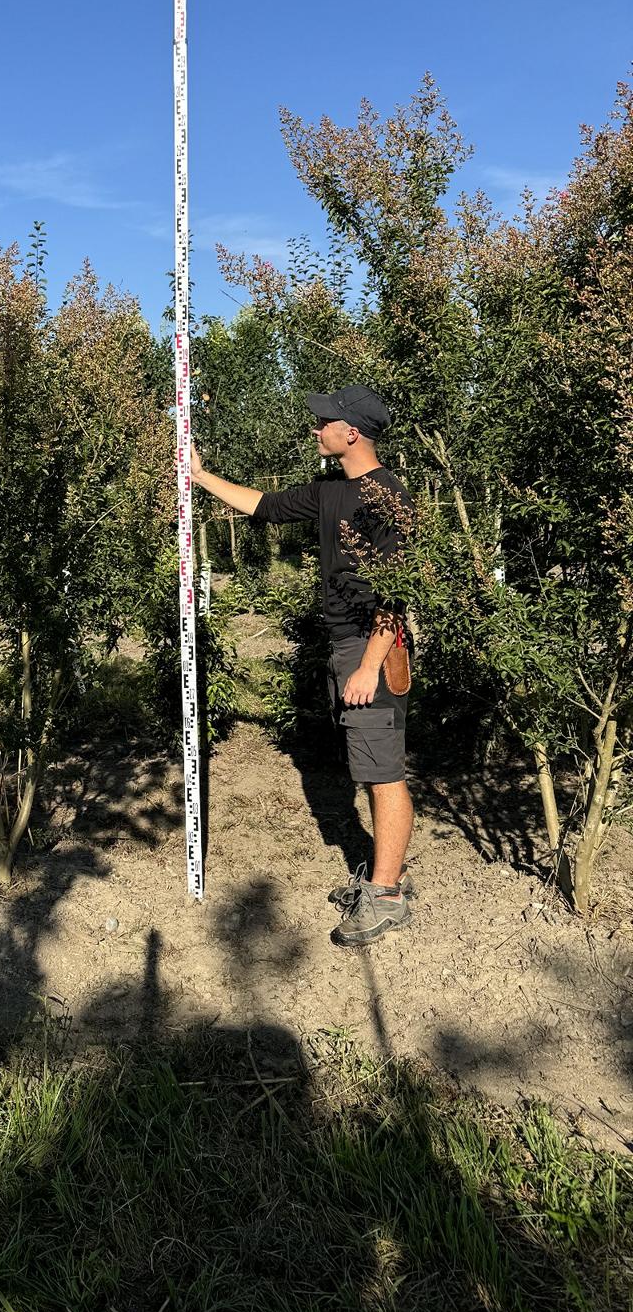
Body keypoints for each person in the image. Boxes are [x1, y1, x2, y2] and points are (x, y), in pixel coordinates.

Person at [190, 384, 416, 946]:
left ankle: (386, 896)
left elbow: (397, 595)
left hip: (374, 649)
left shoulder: (389, 498)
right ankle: (383, 878)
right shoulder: (328, 492)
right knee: (366, 766)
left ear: (352, 432)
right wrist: (199, 477)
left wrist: (367, 667)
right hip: (348, 645)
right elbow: (262, 506)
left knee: (382, 772)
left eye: (324, 423)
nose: (316, 430)